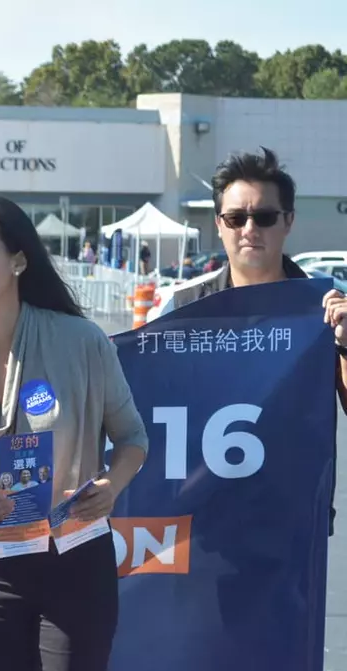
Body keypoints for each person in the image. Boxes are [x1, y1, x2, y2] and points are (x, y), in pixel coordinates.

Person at [0, 195, 149, 671]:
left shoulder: (82, 342)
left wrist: (110, 487)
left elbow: (132, 438)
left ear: (18, 260)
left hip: (76, 557)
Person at [156, 146, 344, 534]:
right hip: (202, 518)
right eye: (236, 217)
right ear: (219, 224)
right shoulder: (185, 306)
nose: (249, 229)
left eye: (264, 217)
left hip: (293, 522)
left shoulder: (323, 310)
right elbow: (145, 404)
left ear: (288, 221)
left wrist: (344, 344)